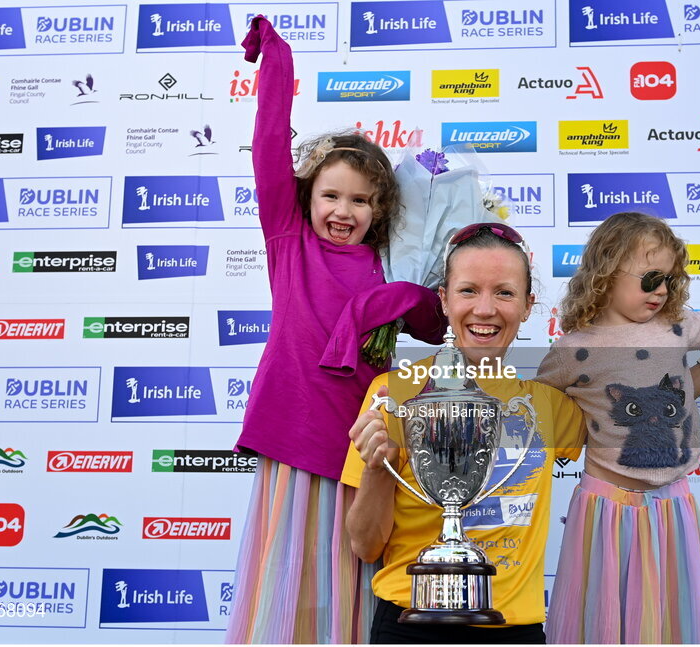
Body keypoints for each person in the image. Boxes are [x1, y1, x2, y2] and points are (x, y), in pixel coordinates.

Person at [226, 17, 446, 644]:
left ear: (380, 211)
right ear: (306, 197)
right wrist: (277, 61)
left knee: (350, 585)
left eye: (359, 201)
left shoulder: (391, 265)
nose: (342, 211)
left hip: (361, 446)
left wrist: (409, 293)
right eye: (330, 196)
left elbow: (433, 325)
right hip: (294, 436)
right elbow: (269, 144)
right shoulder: (288, 240)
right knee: (288, 585)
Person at [537, 212, 700, 644]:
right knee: (604, 626)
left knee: (673, 626)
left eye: (670, 282)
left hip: (674, 507)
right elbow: (538, 412)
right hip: (606, 511)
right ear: (608, 269)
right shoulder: (572, 350)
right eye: (651, 278)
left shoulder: (675, 327)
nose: (661, 291)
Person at [341, 223, 585, 644]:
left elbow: (647, 416)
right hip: (410, 622)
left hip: (513, 628)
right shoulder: (393, 394)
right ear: (444, 299)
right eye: (468, 290)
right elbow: (365, 546)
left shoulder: (549, 406)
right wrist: (378, 468)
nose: (485, 309)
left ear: (529, 306)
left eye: (505, 293)